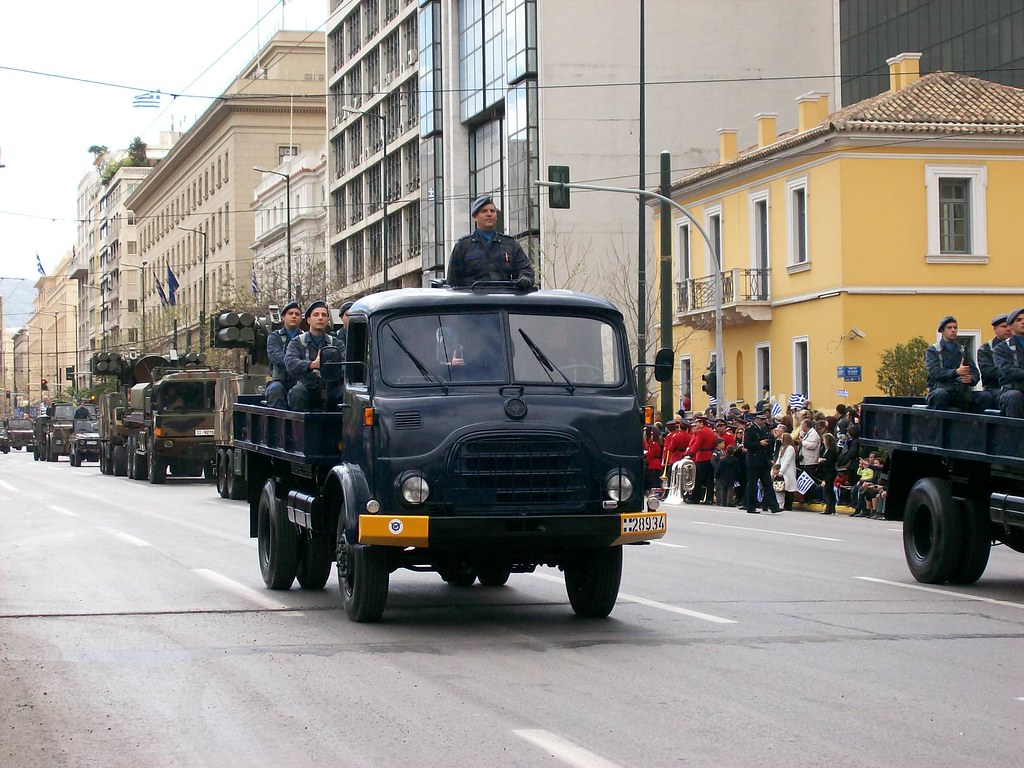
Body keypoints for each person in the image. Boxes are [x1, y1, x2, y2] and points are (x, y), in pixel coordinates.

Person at [446, 195, 535, 289]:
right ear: (474, 217)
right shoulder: (463, 246)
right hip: (472, 301)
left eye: (492, 211)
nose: (489, 214)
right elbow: (452, 282)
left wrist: (524, 280)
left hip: (503, 299)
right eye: (484, 211)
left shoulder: (510, 244)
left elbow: (526, 269)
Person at [285, 301, 345, 411]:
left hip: (331, 389)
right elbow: (290, 362)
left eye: (324, 315)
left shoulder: (336, 343)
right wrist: (312, 365)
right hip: (307, 387)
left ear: (328, 320)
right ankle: (300, 428)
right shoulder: (297, 342)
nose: (320, 318)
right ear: (308, 320)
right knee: (297, 393)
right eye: (316, 315)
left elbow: (346, 364)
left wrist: (331, 368)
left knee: (347, 395)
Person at [925, 315, 991, 412]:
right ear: (942, 331)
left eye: (955, 328)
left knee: (985, 396)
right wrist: (956, 372)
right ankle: (938, 425)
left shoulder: (963, 350)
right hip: (941, 390)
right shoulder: (933, 350)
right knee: (940, 394)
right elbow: (934, 372)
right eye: (949, 328)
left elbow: (975, 372)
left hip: (961, 393)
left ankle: (976, 425)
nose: (953, 330)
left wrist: (971, 379)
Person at [741, 408, 782, 514]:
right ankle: (751, 506)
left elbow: (769, 441)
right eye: (761, 419)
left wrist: (770, 453)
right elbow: (747, 445)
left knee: (768, 484)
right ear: (757, 419)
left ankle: (774, 506)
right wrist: (759, 443)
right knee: (753, 484)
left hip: (763, 461)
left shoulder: (764, 429)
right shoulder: (750, 430)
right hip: (753, 461)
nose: (763, 422)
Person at [266, 301, 303, 409]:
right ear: (283, 317)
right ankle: (278, 425)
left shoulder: (305, 337)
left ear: (301, 318)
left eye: (297, 314)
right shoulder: (274, 337)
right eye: (290, 314)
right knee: (275, 390)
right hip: (280, 380)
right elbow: (276, 357)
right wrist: (297, 364)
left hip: (300, 380)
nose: (294, 316)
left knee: (301, 393)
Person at [995, 307, 1024, 418]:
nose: (1023, 322)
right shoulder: (1002, 348)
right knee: (1015, 396)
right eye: (1019, 320)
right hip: (1011, 390)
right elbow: (1008, 371)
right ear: (1010, 325)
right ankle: (1014, 434)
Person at [977, 313, 1010, 405]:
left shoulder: (1017, 346)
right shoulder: (986, 348)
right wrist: (1010, 370)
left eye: (1010, 326)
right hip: (994, 388)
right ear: (995, 329)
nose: (1008, 329)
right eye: (1004, 326)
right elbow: (988, 372)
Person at [777, 433, 798, 510]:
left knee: (789, 488)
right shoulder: (782, 448)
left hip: (789, 471)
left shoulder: (790, 448)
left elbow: (787, 461)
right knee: (782, 488)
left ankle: (788, 505)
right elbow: (779, 459)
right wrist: (776, 468)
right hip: (782, 469)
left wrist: (782, 471)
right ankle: (782, 505)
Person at [819, 432, 839, 515]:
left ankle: (829, 507)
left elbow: (830, 462)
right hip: (826, 471)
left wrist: (822, 461)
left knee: (828, 489)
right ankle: (831, 507)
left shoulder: (832, 450)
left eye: (824, 440)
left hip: (830, 472)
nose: (823, 442)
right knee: (828, 489)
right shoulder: (825, 449)